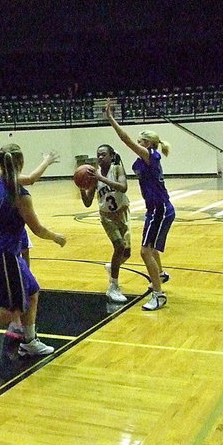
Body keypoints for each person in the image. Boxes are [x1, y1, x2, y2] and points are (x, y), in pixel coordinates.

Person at [0, 143, 67, 362]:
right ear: (21, 163)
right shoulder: (20, 195)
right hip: (4, 254)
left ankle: (29, 342)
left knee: (33, 291)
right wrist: (56, 237)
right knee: (13, 307)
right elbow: (37, 229)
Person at [105, 100, 173, 310]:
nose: (137, 142)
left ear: (148, 144)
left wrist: (111, 119)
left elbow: (124, 139)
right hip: (156, 208)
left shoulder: (150, 155)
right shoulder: (143, 159)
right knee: (151, 250)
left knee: (145, 251)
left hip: (159, 208)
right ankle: (159, 276)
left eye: (141, 140)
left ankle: (158, 295)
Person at [80, 144, 130, 303]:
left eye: (103, 155)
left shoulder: (117, 170)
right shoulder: (94, 177)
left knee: (126, 253)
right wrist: (81, 187)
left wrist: (101, 178)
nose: (100, 158)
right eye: (98, 155)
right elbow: (88, 203)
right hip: (107, 217)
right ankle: (113, 287)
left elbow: (123, 187)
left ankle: (112, 267)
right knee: (119, 247)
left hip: (122, 213)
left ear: (111, 156)